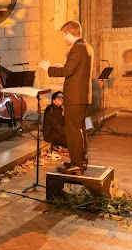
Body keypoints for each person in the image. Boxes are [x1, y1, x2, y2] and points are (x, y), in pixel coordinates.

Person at [39, 21, 93, 174]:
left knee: (73, 131)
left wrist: (48, 68)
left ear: (69, 34)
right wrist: (60, 66)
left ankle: (77, 163)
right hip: (82, 97)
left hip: (75, 98)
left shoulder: (76, 48)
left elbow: (69, 71)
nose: (64, 39)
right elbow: (75, 68)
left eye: (64, 36)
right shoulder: (86, 46)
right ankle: (80, 160)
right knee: (80, 129)